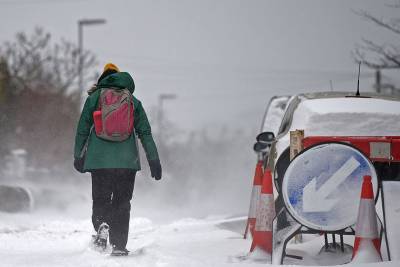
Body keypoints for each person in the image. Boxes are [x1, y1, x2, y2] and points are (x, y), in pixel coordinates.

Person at [73, 63, 162, 256]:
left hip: (99, 162)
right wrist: (153, 159)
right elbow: (145, 132)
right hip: (126, 162)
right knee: (122, 202)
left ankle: (102, 225)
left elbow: (82, 129)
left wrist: (78, 155)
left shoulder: (94, 98)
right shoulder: (133, 101)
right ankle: (119, 245)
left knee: (101, 199)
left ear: (103, 79)